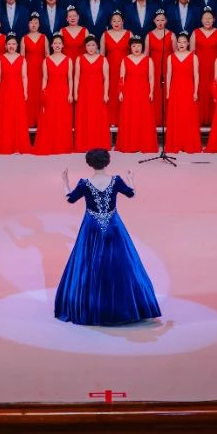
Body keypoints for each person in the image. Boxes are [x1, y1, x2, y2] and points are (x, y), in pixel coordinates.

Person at [55, 148, 160, 326]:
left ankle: (92, 306)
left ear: (89, 163)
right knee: (121, 263)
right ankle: (125, 307)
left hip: (91, 227)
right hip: (113, 226)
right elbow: (131, 193)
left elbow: (70, 199)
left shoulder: (84, 183)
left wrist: (65, 182)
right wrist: (131, 179)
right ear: (107, 162)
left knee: (89, 264)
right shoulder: (116, 180)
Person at [33, 34, 75, 155]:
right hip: (50, 90)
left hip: (63, 91)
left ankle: (62, 145)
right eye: (55, 43)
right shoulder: (46, 60)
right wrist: (43, 92)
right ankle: (50, 144)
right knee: (50, 117)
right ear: (51, 45)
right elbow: (45, 78)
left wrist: (70, 93)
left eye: (59, 43)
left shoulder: (68, 60)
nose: (57, 45)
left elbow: (70, 78)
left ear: (63, 45)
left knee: (62, 118)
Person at [116, 36, 157, 153]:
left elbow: (151, 77)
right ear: (130, 47)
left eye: (139, 46)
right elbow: (122, 77)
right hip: (129, 91)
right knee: (130, 116)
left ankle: (144, 143)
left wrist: (151, 92)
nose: (136, 48)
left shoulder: (148, 60)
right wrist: (121, 91)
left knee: (144, 117)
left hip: (143, 91)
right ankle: (129, 144)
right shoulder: (125, 59)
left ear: (142, 47)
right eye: (134, 46)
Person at [0, 34, 31, 153]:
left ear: (17, 45)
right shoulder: (1, 58)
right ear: (5, 46)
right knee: (6, 116)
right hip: (5, 90)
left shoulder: (22, 59)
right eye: (9, 44)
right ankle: (5, 144)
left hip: (18, 90)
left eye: (13, 44)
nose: (11, 46)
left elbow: (24, 76)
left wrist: (25, 91)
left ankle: (18, 144)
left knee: (18, 116)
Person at [164, 32, 202, 152]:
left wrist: (195, 91)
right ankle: (176, 143)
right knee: (176, 116)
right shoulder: (171, 57)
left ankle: (189, 143)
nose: (181, 44)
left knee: (188, 116)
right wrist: (168, 91)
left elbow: (196, 75)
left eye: (184, 42)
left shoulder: (193, 57)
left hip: (188, 89)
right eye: (179, 42)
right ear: (176, 44)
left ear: (188, 43)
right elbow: (168, 75)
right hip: (175, 89)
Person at [74, 36, 111, 151]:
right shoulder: (79, 59)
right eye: (88, 45)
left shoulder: (103, 59)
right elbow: (76, 77)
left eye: (93, 45)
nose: (91, 48)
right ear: (85, 47)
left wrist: (106, 93)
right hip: (84, 92)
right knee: (84, 116)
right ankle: (83, 144)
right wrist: (75, 92)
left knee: (97, 117)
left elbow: (106, 78)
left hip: (98, 92)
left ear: (97, 46)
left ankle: (98, 143)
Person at [190, 9, 217, 126]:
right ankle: (199, 119)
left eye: (210, 18)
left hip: (215, 68)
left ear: (214, 20)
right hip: (200, 68)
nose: (207, 20)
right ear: (201, 20)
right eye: (205, 18)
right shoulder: (195, 33)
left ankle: (214, 120)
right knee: (200, 91)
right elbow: (191, 53)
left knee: (214, 91)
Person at [102, 12, 132, 125]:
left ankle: (125, 120)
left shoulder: (129, 34)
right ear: (110, 22)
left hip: (126, 68)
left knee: (125, 92)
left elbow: (134, 53)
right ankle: (112, 120)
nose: (116, 23)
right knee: (111, 92)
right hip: (110, 68)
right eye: (114, 21)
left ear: (123, 22)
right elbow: (102, 55)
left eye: (119, 20)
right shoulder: (105, 35)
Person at [21, 14, 48, 128]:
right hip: (29, 70)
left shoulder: (44, 37)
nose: (34, 24)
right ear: (28, 24)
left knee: (40, 92)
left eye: (36, 22)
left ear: (39, 25)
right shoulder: (24, 38)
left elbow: (47, 55)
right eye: (31, 22)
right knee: (29, 93)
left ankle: (40, 120)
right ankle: (29, 120)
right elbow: (22, 57)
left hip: (41, 70)